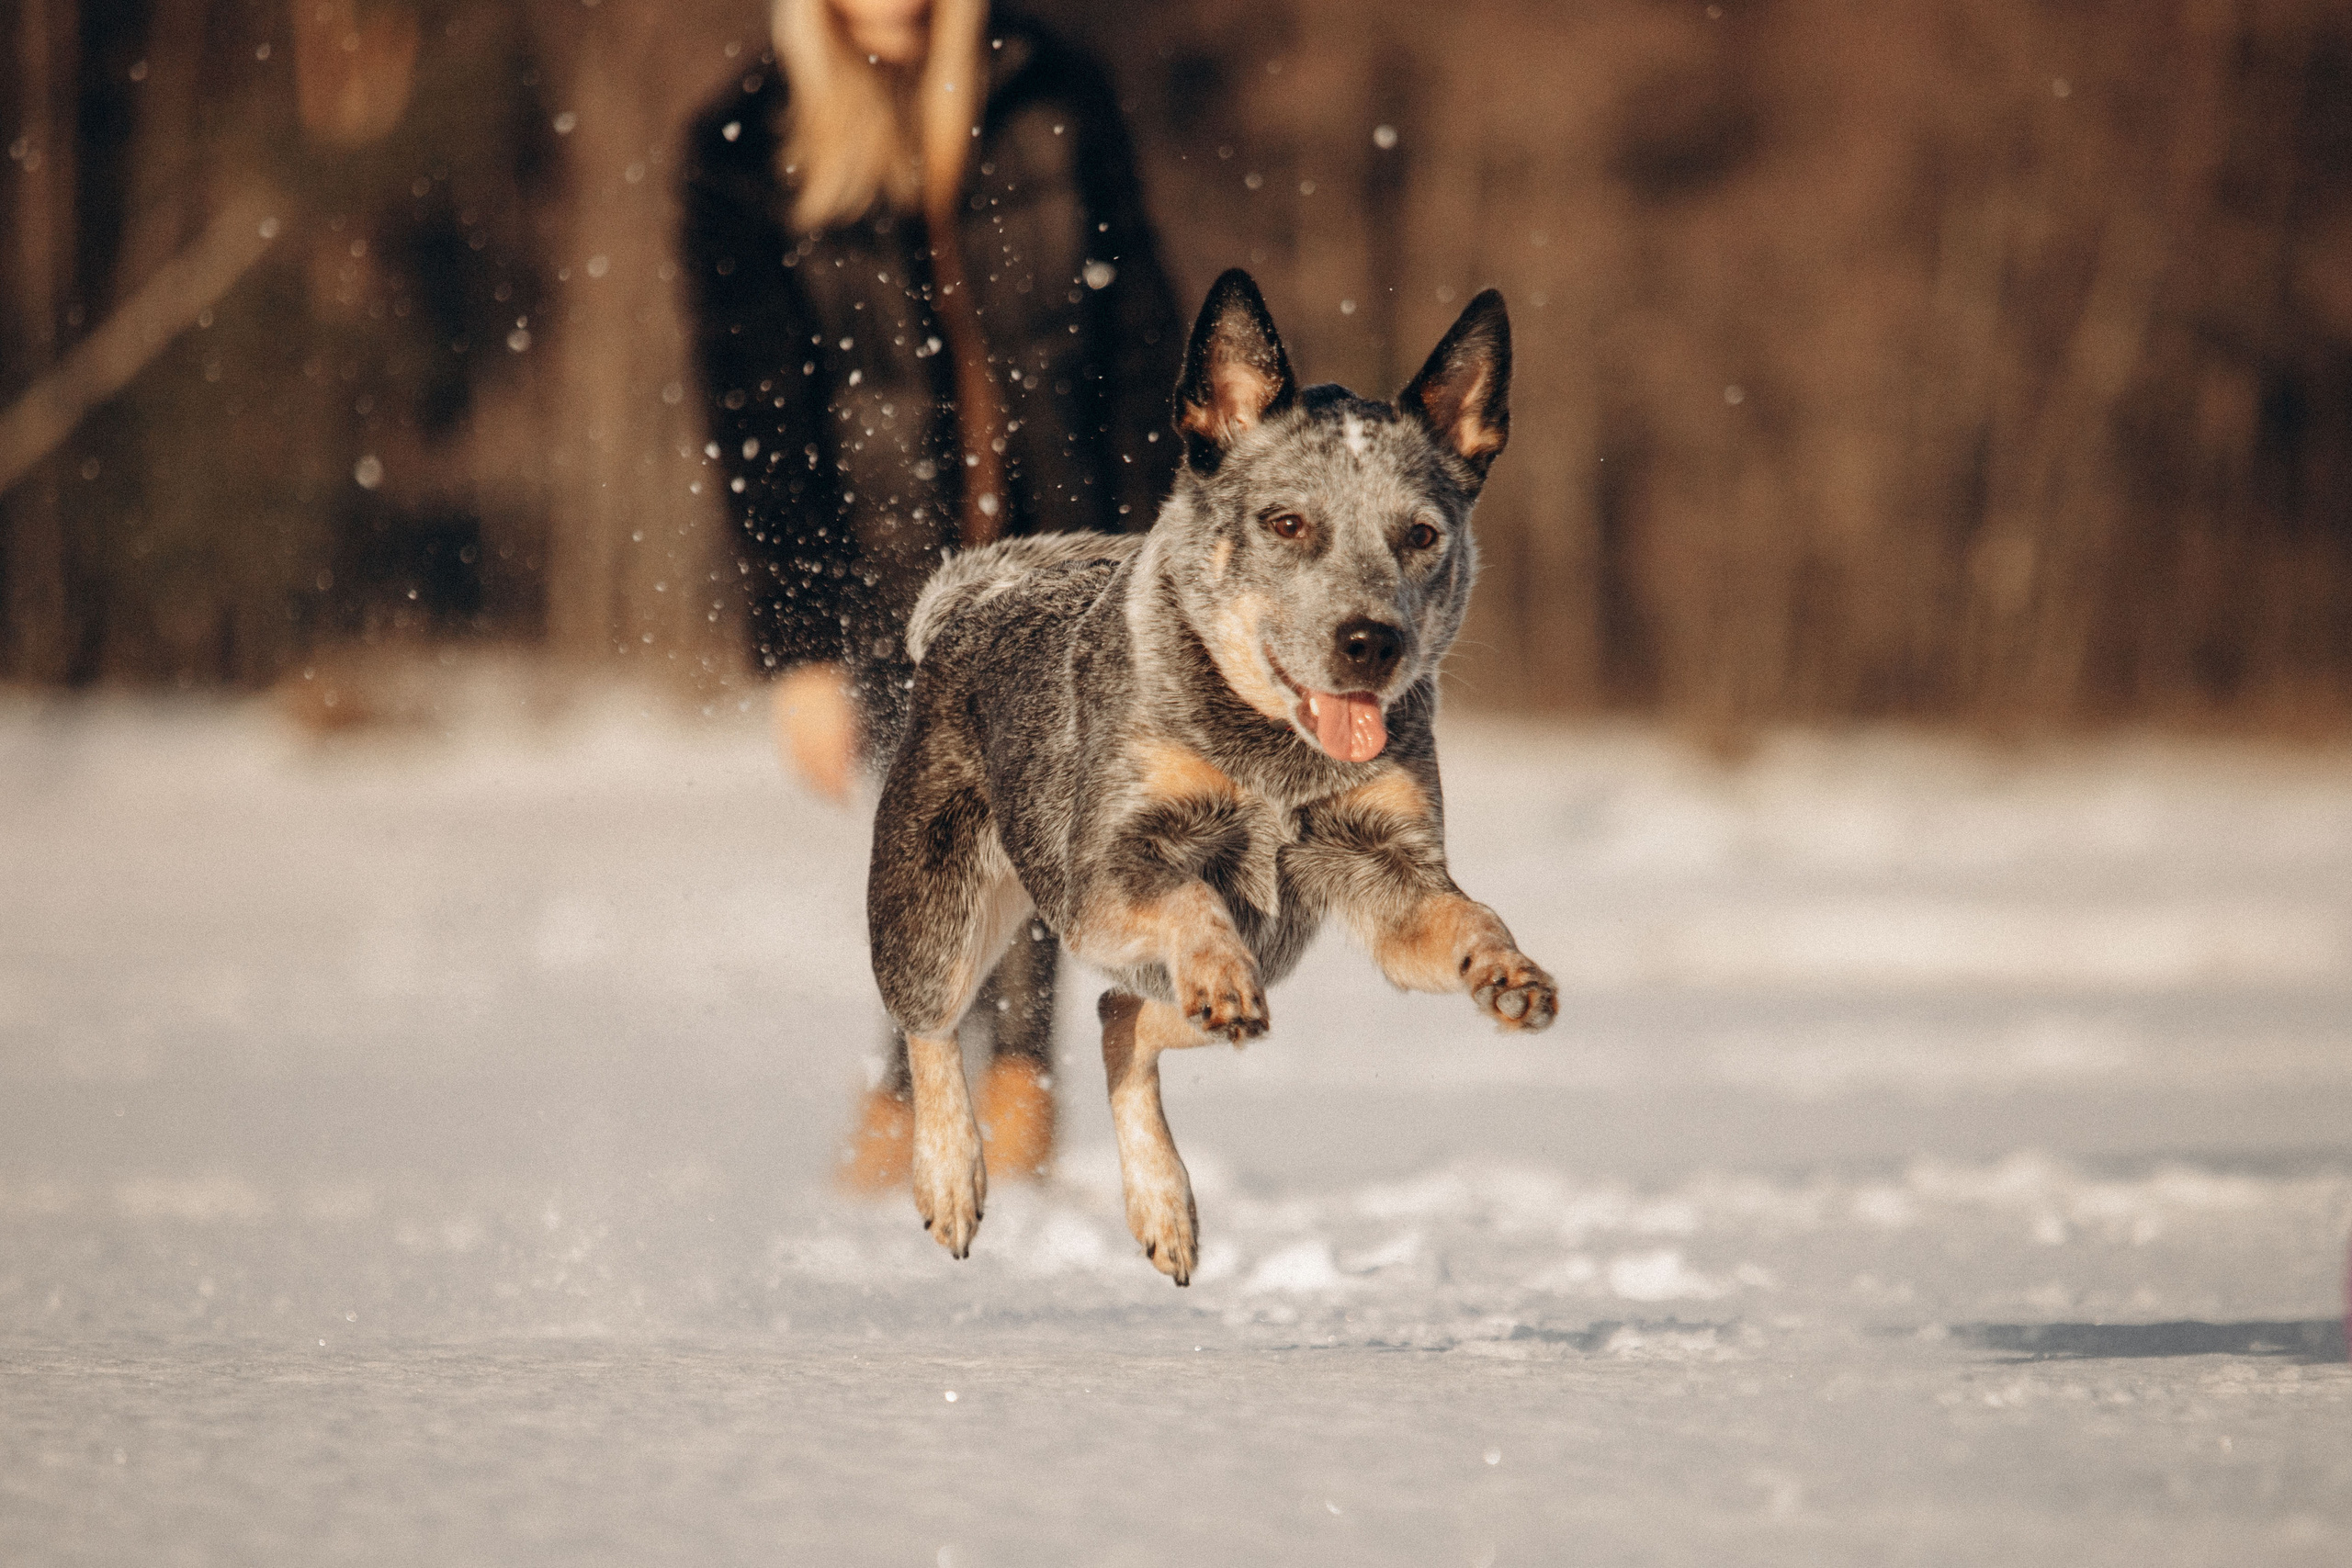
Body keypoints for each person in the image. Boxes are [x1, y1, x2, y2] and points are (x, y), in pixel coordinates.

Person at [681, 0, 1182, 1190]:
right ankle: (951, 1082)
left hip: (1072, 543)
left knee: (1032, 811)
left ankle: (985, 1086)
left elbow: (1143, 337)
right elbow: (755, 415)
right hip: (885, 573)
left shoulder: (1050, 92)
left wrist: (1173, 549)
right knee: (954, 830)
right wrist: (798, 648)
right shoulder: (748, 141)